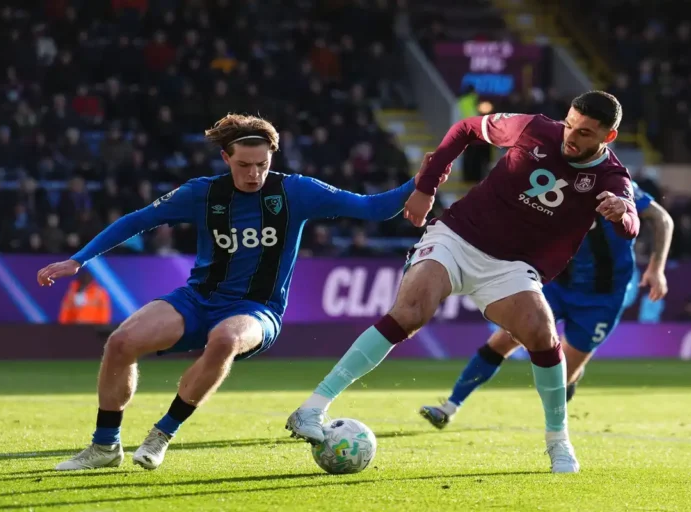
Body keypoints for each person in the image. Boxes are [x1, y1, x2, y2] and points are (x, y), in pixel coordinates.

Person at [37, 113, 447, 472]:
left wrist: (420, 180)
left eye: (262, 165)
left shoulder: (296, 191)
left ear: (273, 157)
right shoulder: (203, 192)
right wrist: (80, 260)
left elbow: (372, 208)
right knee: (121, 342)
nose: (254, 174)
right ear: (226, 158)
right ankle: (105, 445)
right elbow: (138, 220)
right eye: (244, 165)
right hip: (197, 298)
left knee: (226, 339)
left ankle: (162, 434)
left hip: (258, 308)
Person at [285, 91, 641, 474]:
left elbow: (631, 225)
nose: (571, 136)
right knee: (410, 312)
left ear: (608, 137)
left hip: (511, 267)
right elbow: (465, 128)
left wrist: (622, 213)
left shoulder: (611, 177)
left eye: (585, 133)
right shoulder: (533, 128)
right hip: (456, 237)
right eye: (570, 123)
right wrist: (426, 187)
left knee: (541, 332)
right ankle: (312, 408)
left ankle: (558, 442)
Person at [419, 181, 674, 427]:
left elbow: (662, 219)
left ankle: (565, 404)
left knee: (561, 379)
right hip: (558, 285)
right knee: (502, 341)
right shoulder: (553, 185)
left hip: (603, 298)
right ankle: (450, 406)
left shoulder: (619, 187)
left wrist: (657, 267)